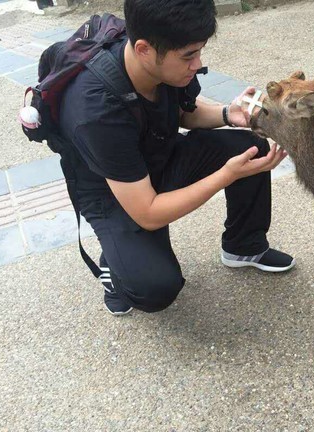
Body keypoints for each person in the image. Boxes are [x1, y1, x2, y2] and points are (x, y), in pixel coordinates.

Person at [58, 0, 294, 316]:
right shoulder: (96, 111)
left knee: (251, 146)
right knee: (155, 288)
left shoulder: (165, 62)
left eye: (199, 52)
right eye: (188, 56)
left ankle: (243, 246)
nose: (197, 64)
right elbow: (149, 212)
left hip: (158, 154)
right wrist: (226, 175)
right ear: (143, 50)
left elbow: (183, 112)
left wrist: (228, 113)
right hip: (113, 193)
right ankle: (115, 266)